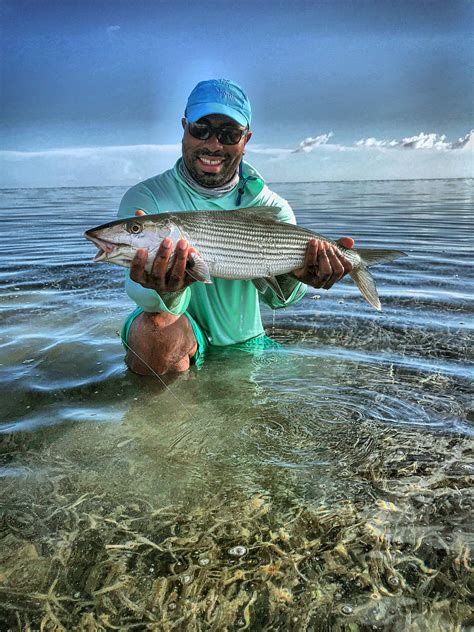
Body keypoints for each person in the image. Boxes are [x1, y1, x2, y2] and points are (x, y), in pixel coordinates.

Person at [118, 79, 354, 375]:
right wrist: (167, 292)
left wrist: (297, 277)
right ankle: (158, 419)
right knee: (156, 329)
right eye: (201, 129)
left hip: (245, 338)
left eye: (229, 134)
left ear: (246, 139)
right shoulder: (147, 198)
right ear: (184, 128)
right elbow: (140, 295)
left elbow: (278, 300)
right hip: (179, 334)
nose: (213, 145)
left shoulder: (272, 206)